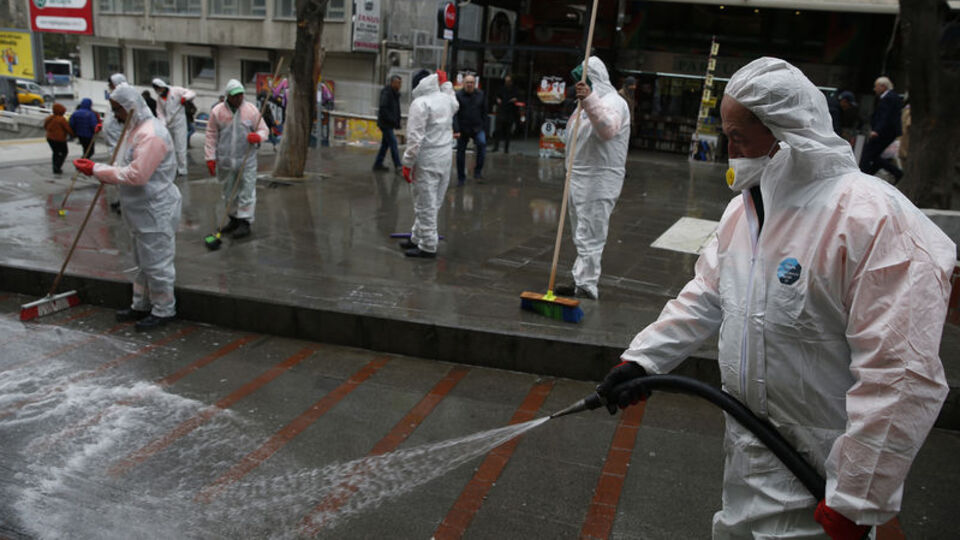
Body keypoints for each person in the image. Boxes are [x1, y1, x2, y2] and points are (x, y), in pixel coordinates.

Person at [597, 57, 954, 539]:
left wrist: (857, 498)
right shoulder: (745, 211)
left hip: (819, 486)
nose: (729, 149)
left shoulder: (871, 218)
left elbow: (901, 372)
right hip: (748, 466)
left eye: (737, 137)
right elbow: (704, 294)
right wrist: (642, 361)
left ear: (785, 132)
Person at [72, 85, 182, 331]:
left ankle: (164, 309)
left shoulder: (152, 134)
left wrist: (96, 170)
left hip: (156, 210)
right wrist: (97, 168)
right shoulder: (134, 130)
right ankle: (141, 304)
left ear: (130, 107)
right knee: (141, 262)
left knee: (157, 263)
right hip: (139, 210)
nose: (116, 116)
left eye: (117, 110)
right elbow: (122, 165)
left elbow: (138, 174)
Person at [554, 57, 630, 300]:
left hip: (599, 178)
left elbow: (607, 129)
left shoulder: (614, 103)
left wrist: (589, 99)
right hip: (578, 177)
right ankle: (581, 281)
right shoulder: (582, 106)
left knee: (592, 232)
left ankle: (587, 285)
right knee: (581, 231)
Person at [399, 69, 458, 258]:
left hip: (426, 161)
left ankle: (428, 245)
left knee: (425, 204)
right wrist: (446, 84)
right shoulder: (445, 99)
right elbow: (455, 103)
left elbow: (415, 139)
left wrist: (407, 163)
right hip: (445, 158)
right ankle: (418, 236)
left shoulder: (420, 103)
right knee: (433, 203)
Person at [204, 79, 269, 240]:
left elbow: (264, 129)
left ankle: (245, 222)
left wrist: (258, 136)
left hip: (246, 159)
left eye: (240, 95)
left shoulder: (251, 110)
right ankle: (234, 219)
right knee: (229, 192)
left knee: (247, 190)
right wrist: (210, 157)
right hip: (225, 160)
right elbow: (211, 135)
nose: (238, 98)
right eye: (235, 96)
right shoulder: (218, 112)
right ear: (228, 96)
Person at [859, 76, 903, 183]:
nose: (874, 89)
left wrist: (877, 130)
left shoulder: (888, 98)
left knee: (868, 153)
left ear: (883, 86)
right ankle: (868, 174)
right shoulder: (892, 97)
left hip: (884, 132)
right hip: (888, 132)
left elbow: (885, 116)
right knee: (873, 155)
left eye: (876, 86)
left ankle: (864, 175)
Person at [152, 78, 196, 177]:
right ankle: (173, 168)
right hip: (169, 124)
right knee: (170, 148)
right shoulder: (159, 99)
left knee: (180, 147)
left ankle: (182, 169)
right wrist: (163, 123)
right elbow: (160, 113)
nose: (158, 91)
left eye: (159, 88)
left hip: (179, 122)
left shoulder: (176, 91)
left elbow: (192, 93)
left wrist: (185, 97)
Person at [453, 74, 488, 185]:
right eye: (467, 82)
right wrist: (456, 129)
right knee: (460, 153)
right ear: (463, 83)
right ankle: (461, 177)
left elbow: (484, 112)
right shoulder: (458, 95)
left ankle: (477, 172)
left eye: (471, 82)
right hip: (463, 128)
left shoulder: (480, 95)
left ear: (475, 84)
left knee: (482, 144)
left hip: (477, 127)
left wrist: (484, 128)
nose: (469, 84)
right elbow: (455, 114)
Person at [103, 73, 129, 213]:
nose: (109, 87)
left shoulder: (123, 97)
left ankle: (124, 202)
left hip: (120, 143)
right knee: (117, 173)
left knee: (121, 173)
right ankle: (121, 199)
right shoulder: (114, 97)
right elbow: (110, 115)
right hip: (113, 143)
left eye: (111, 84)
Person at [373, 75, 403, 172]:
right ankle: (398, 166)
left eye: (400, 83)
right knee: (393, 143)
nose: (400, 85)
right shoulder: (387, 92)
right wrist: (392, 120)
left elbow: (396, 110)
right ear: (392, 83)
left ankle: (378, 164)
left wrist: (397, 122)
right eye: (398, 83)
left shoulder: (395, 94)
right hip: (385, 124)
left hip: (389, 123)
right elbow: (383, 108)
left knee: (385, 145)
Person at [490, 75, 520, 153]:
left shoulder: (514, 89)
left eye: (509, 81)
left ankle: (506, 149)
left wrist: (515, 99)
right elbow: (496, 96)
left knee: (508, 132)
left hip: (510, 112)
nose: (507, 83)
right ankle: (496, 146)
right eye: (506, 81)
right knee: (498, 130)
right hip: (501, 111)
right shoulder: (501, 88)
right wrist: (497, 99)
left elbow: (518, 97)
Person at [43, 103, 74, 174]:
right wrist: (73, 135)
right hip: (60, 139)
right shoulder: (61, 119)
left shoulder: (49, 118)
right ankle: (57, 167)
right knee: (64, 152)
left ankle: (55, 167)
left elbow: (45, 126)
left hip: (50, 138)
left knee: (55, 152)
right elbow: (68, 129)